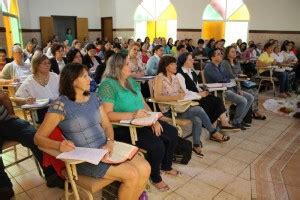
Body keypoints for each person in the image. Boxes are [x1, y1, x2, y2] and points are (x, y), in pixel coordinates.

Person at [34, 63, 150, 200]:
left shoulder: (94, 98)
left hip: (106, 148)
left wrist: (110, 142)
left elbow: (107, 126)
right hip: (85, 157)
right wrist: (59, 145)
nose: (90, 79)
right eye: (85, 76)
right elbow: (38, 138)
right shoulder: (61, 105)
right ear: (72, 80)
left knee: (145, 167)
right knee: (131, 174)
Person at [98, 53, 179, 192]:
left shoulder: (131, 81)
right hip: (121, 127)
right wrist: (133, 115)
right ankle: (155, 177)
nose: (132, 66)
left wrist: (153, 119)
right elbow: (107, 115)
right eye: (128, 64)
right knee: (157, 145)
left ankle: (166, 166)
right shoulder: (108, 85)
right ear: (117, 67)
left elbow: (143, 105)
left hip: (140, 122)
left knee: (172, 132)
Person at [154, 56, 230, 156]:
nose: (176, 66)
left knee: (197, 120)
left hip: (179, 107)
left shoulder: (175, 77)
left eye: (176, 63)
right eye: (173, 64)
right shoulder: (160, 78)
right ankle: (213, 132)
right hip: (169, 111)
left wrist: (181, 94)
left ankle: (196, 145)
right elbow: (157, 97)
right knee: (199, 109)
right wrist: (175, 97)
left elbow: (181, 91)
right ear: (166, 66)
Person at [0, 92, 65, 199]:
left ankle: (52, 175)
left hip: (7, 121)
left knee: (35, 137)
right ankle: (4, 187)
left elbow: (4, 96)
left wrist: (11, 113)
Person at [176, 52, 239, 130]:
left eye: (192, 59)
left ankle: (222, 124)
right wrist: (199, 94)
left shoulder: (192, 72)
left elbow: (196, 86)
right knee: (210, 103)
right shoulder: (180, 74)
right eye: (190, 60)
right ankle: (214, 128)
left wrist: (202, 91)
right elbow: (185, 92)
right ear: (184, 62)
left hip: (197, 95)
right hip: (189, 98)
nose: (193, 61)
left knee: (216, 100)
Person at [204, 48, 254, 130]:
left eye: (221, 53)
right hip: (220, 92)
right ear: (212, 57)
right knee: (243, 100)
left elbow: (227, 78)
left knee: (250, 97)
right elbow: (220, 78)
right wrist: (225, 79)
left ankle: (239, 120)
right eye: (218, 54)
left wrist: (238, 89)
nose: (221, 55)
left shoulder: (219, 66)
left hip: (229, 88)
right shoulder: (209, 66)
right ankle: (236, 122)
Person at [221, 46, 266, 120]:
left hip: (239, 83)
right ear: (227, 54)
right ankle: (250, 114)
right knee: (250, 92)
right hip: (232, 85)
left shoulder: (236, 62)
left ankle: (254, 111)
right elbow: (230, 75)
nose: (235, 53)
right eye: (232, 51)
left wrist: (240, 76)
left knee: (254, 90)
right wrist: (239, 76)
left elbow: (241, 73)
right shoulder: (225, 63)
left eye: (235, 51)